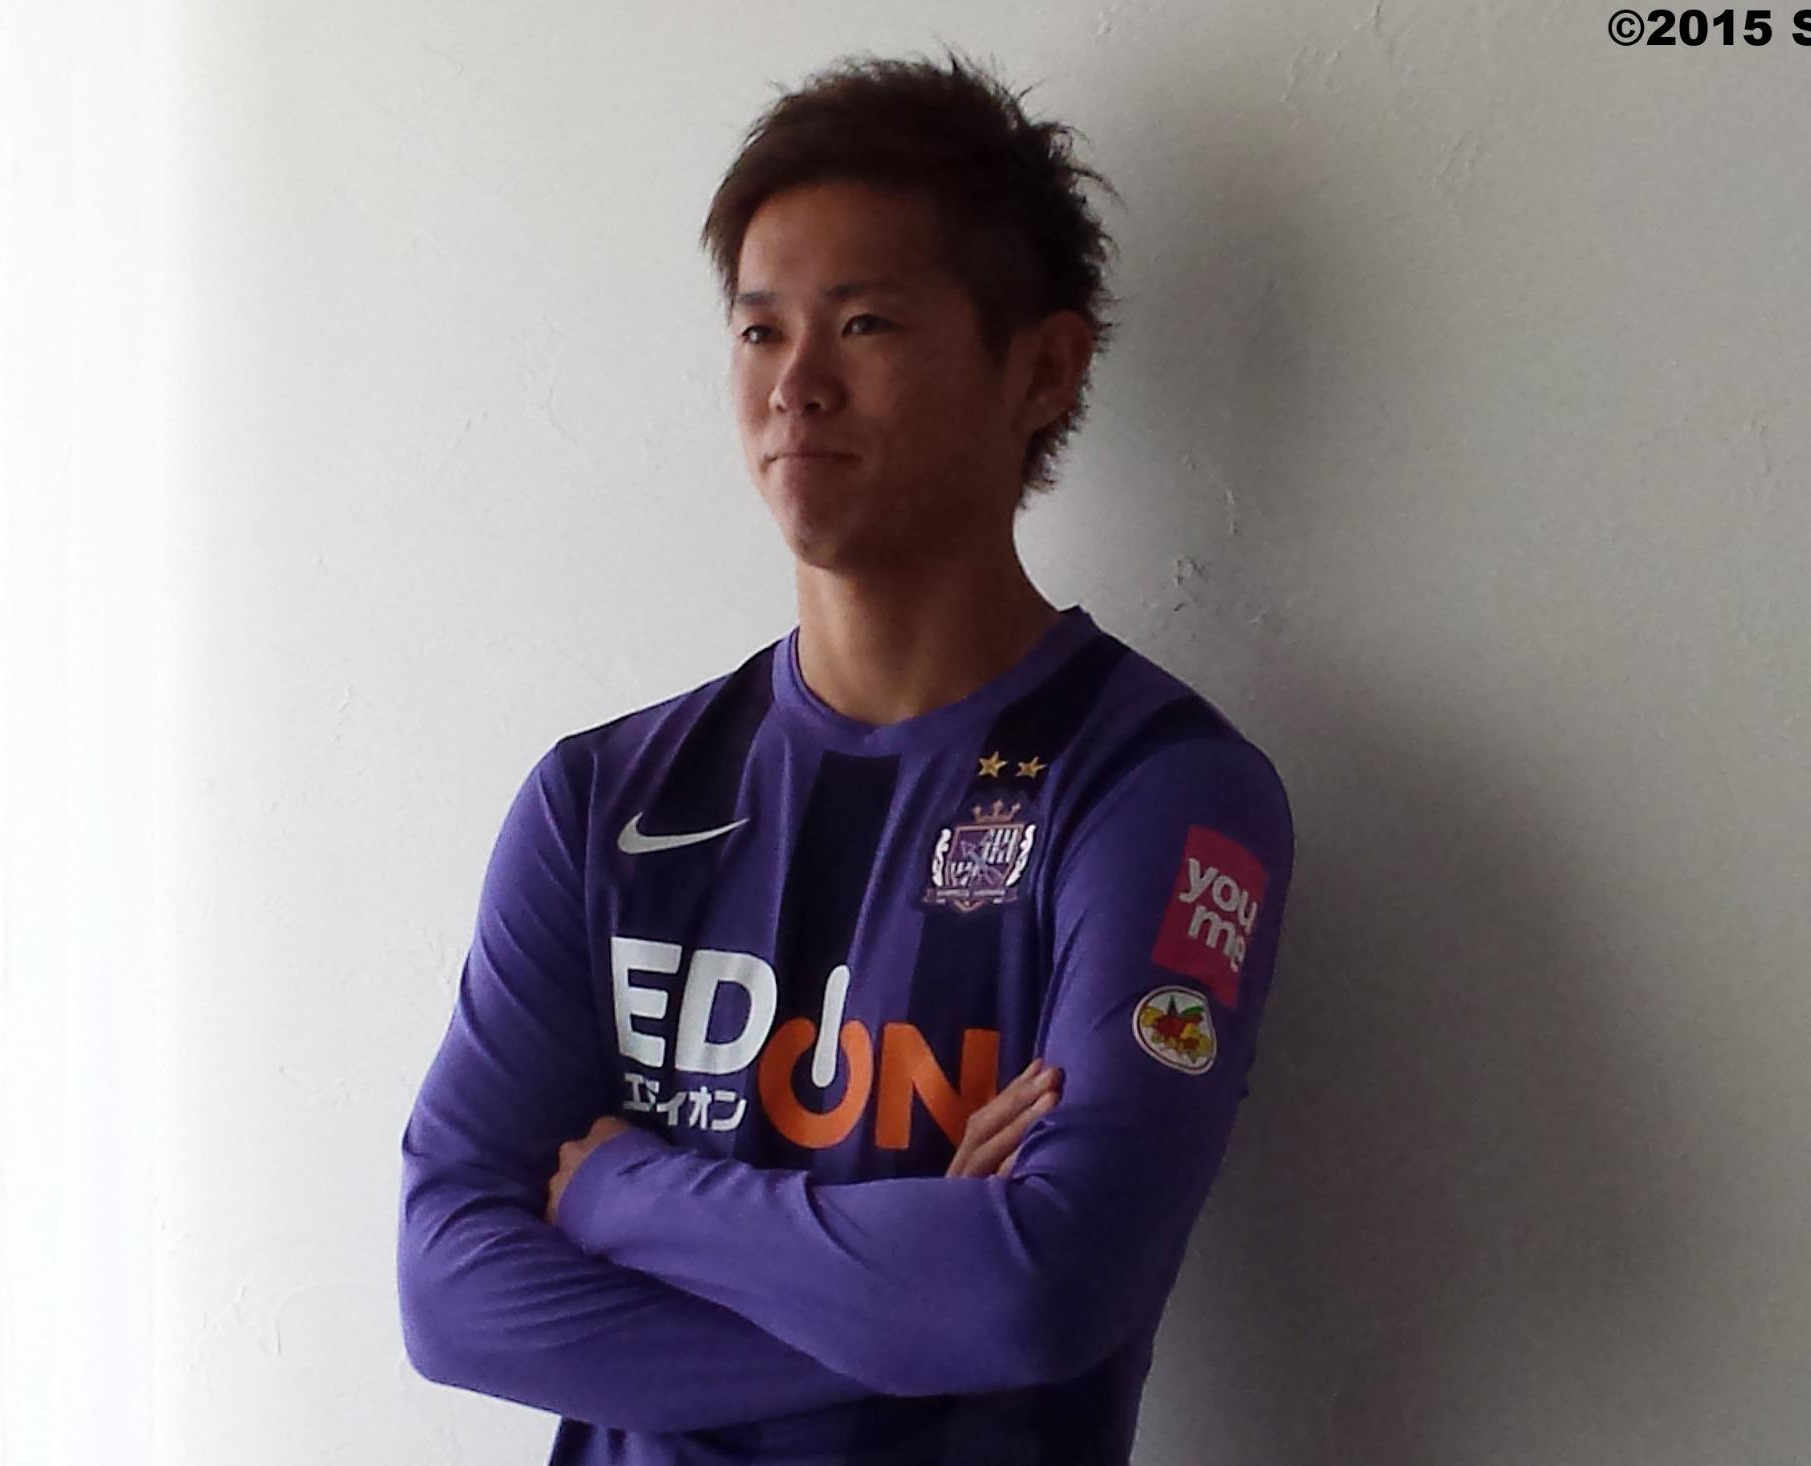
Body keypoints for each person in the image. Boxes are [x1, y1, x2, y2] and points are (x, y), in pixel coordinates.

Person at [396, 46, 1296, 1466]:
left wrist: (622, 1191)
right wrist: (921, 1300)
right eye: (761, 331)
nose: (796, 385)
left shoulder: (1161, 790)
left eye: (865, 323)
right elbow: (448, 1291)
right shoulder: (603, 798)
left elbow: (1042, 1286)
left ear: (1042, 368)